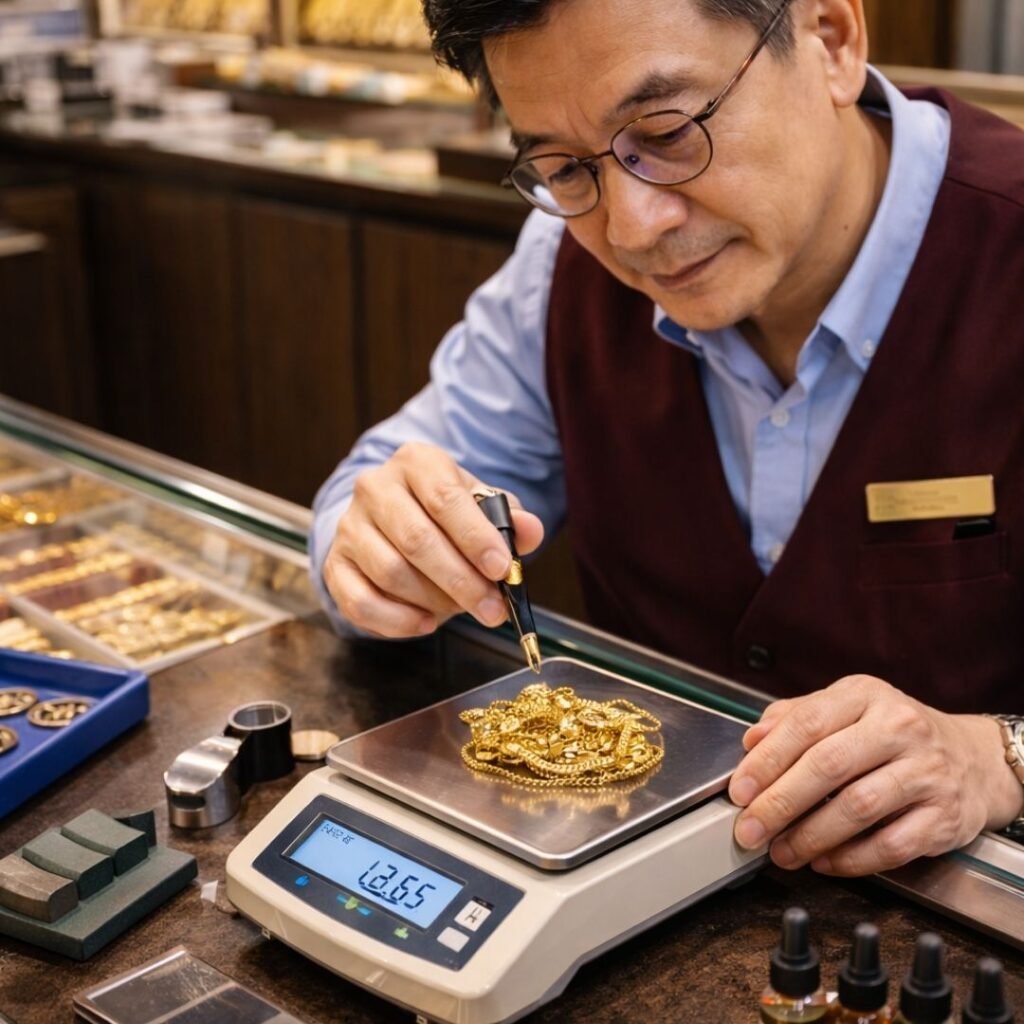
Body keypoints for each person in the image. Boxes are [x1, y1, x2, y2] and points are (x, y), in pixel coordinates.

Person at [311, 0, 1024, 878]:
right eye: (563, 166)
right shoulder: (560, 261)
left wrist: (1002, 755)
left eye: (668, 129)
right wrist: (381, 549)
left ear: (831, 41)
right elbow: (370, 493)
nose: (631, 226)